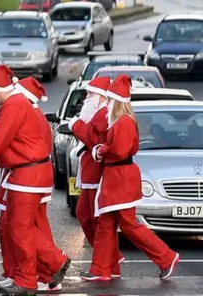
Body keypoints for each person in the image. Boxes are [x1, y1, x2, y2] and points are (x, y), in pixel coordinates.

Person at [0, 66, 70, 295]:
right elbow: (12, 145)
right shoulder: (21, 105)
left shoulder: (13, 105)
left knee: (19, 228)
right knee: (24, 227)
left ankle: (37, 273)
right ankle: (39, 271)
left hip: (27, 176)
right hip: (30, 174)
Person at [82, 75, 180, 281]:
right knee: (106, 224)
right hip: (117, 176)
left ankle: (166, 257)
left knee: (127, 225)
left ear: (116, 101)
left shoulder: (123, 122)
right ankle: (102, 269)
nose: (106, 104)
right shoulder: (121, 121)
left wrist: (101, 150)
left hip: (120, 176)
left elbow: (119, 150)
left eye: (109, 100)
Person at [13, 77, 69, 291]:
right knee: (33, 226)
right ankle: (45, 272)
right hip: (37, 177)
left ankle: (52, 264)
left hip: (28, 178)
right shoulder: (36, 115)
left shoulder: (27, 114)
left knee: (20, 227)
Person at [67, 76, 126, 280]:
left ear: (101, 97)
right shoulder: (98, 113)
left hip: (97, 173)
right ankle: (110, 260)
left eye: (90, 94)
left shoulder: (103, 114)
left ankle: (106, 263)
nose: (85, 97)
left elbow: (94, 140)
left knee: (94, 218)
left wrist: (76, 127)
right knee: (87, 215)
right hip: (91, 173)